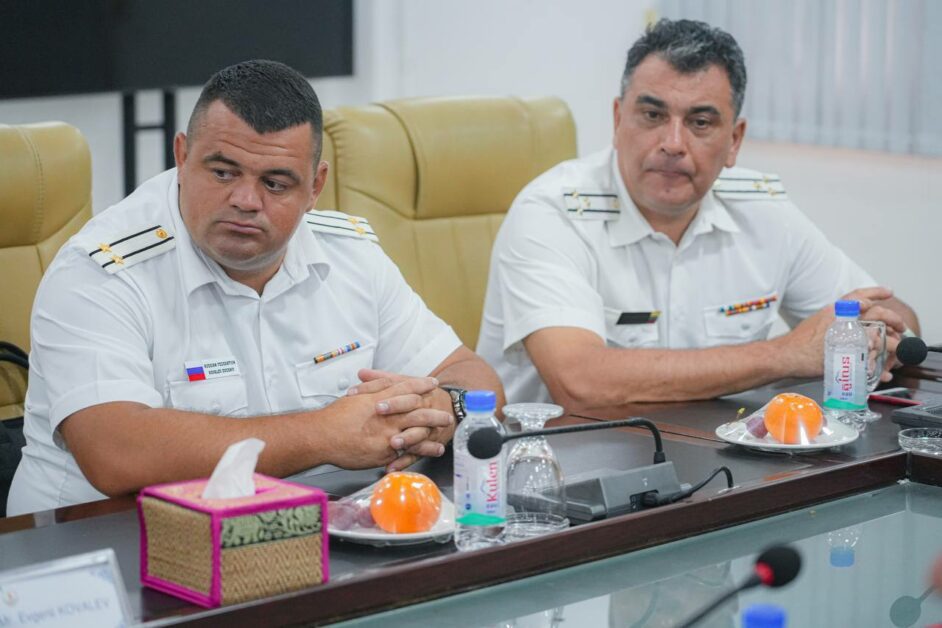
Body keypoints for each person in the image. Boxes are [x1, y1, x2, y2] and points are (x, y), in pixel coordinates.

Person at [7, 60, 503, 516]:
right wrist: (325, 434)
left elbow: (475, 379)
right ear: (182, 155)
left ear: (315, 186)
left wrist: (442, 409)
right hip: (109, 544)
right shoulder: (101, 270)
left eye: (275, 183)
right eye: (223, 172)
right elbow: (115, 454)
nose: (245, 200)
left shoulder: (349, 254)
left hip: (299, 537)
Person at [477, 19, 918, 413]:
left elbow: (894, 315)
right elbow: (580, 382)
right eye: (652, 115)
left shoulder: (763, 210)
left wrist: (878, 338)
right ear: (617, 120)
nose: (672, 143)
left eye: (700, 122)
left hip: (722, 457)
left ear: (734, 141)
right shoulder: (554, 212)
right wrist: (787, 354)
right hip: (564, 465)